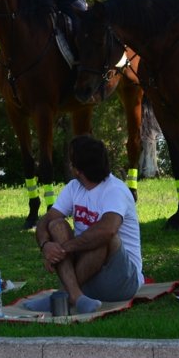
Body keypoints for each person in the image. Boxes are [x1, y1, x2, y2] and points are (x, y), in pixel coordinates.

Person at [25, 135, 143, 315]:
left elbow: (108, 230)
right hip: (87, 276)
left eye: (72, 162)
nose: (69, 165)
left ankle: (62, 296)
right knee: (57, 225)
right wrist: (46, 246)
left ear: (78, 170)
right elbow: (45, 222)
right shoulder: (73, 187)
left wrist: (62, 250)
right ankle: (76, 296)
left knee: (103, 237)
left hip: (121, 281)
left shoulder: (115, 190)